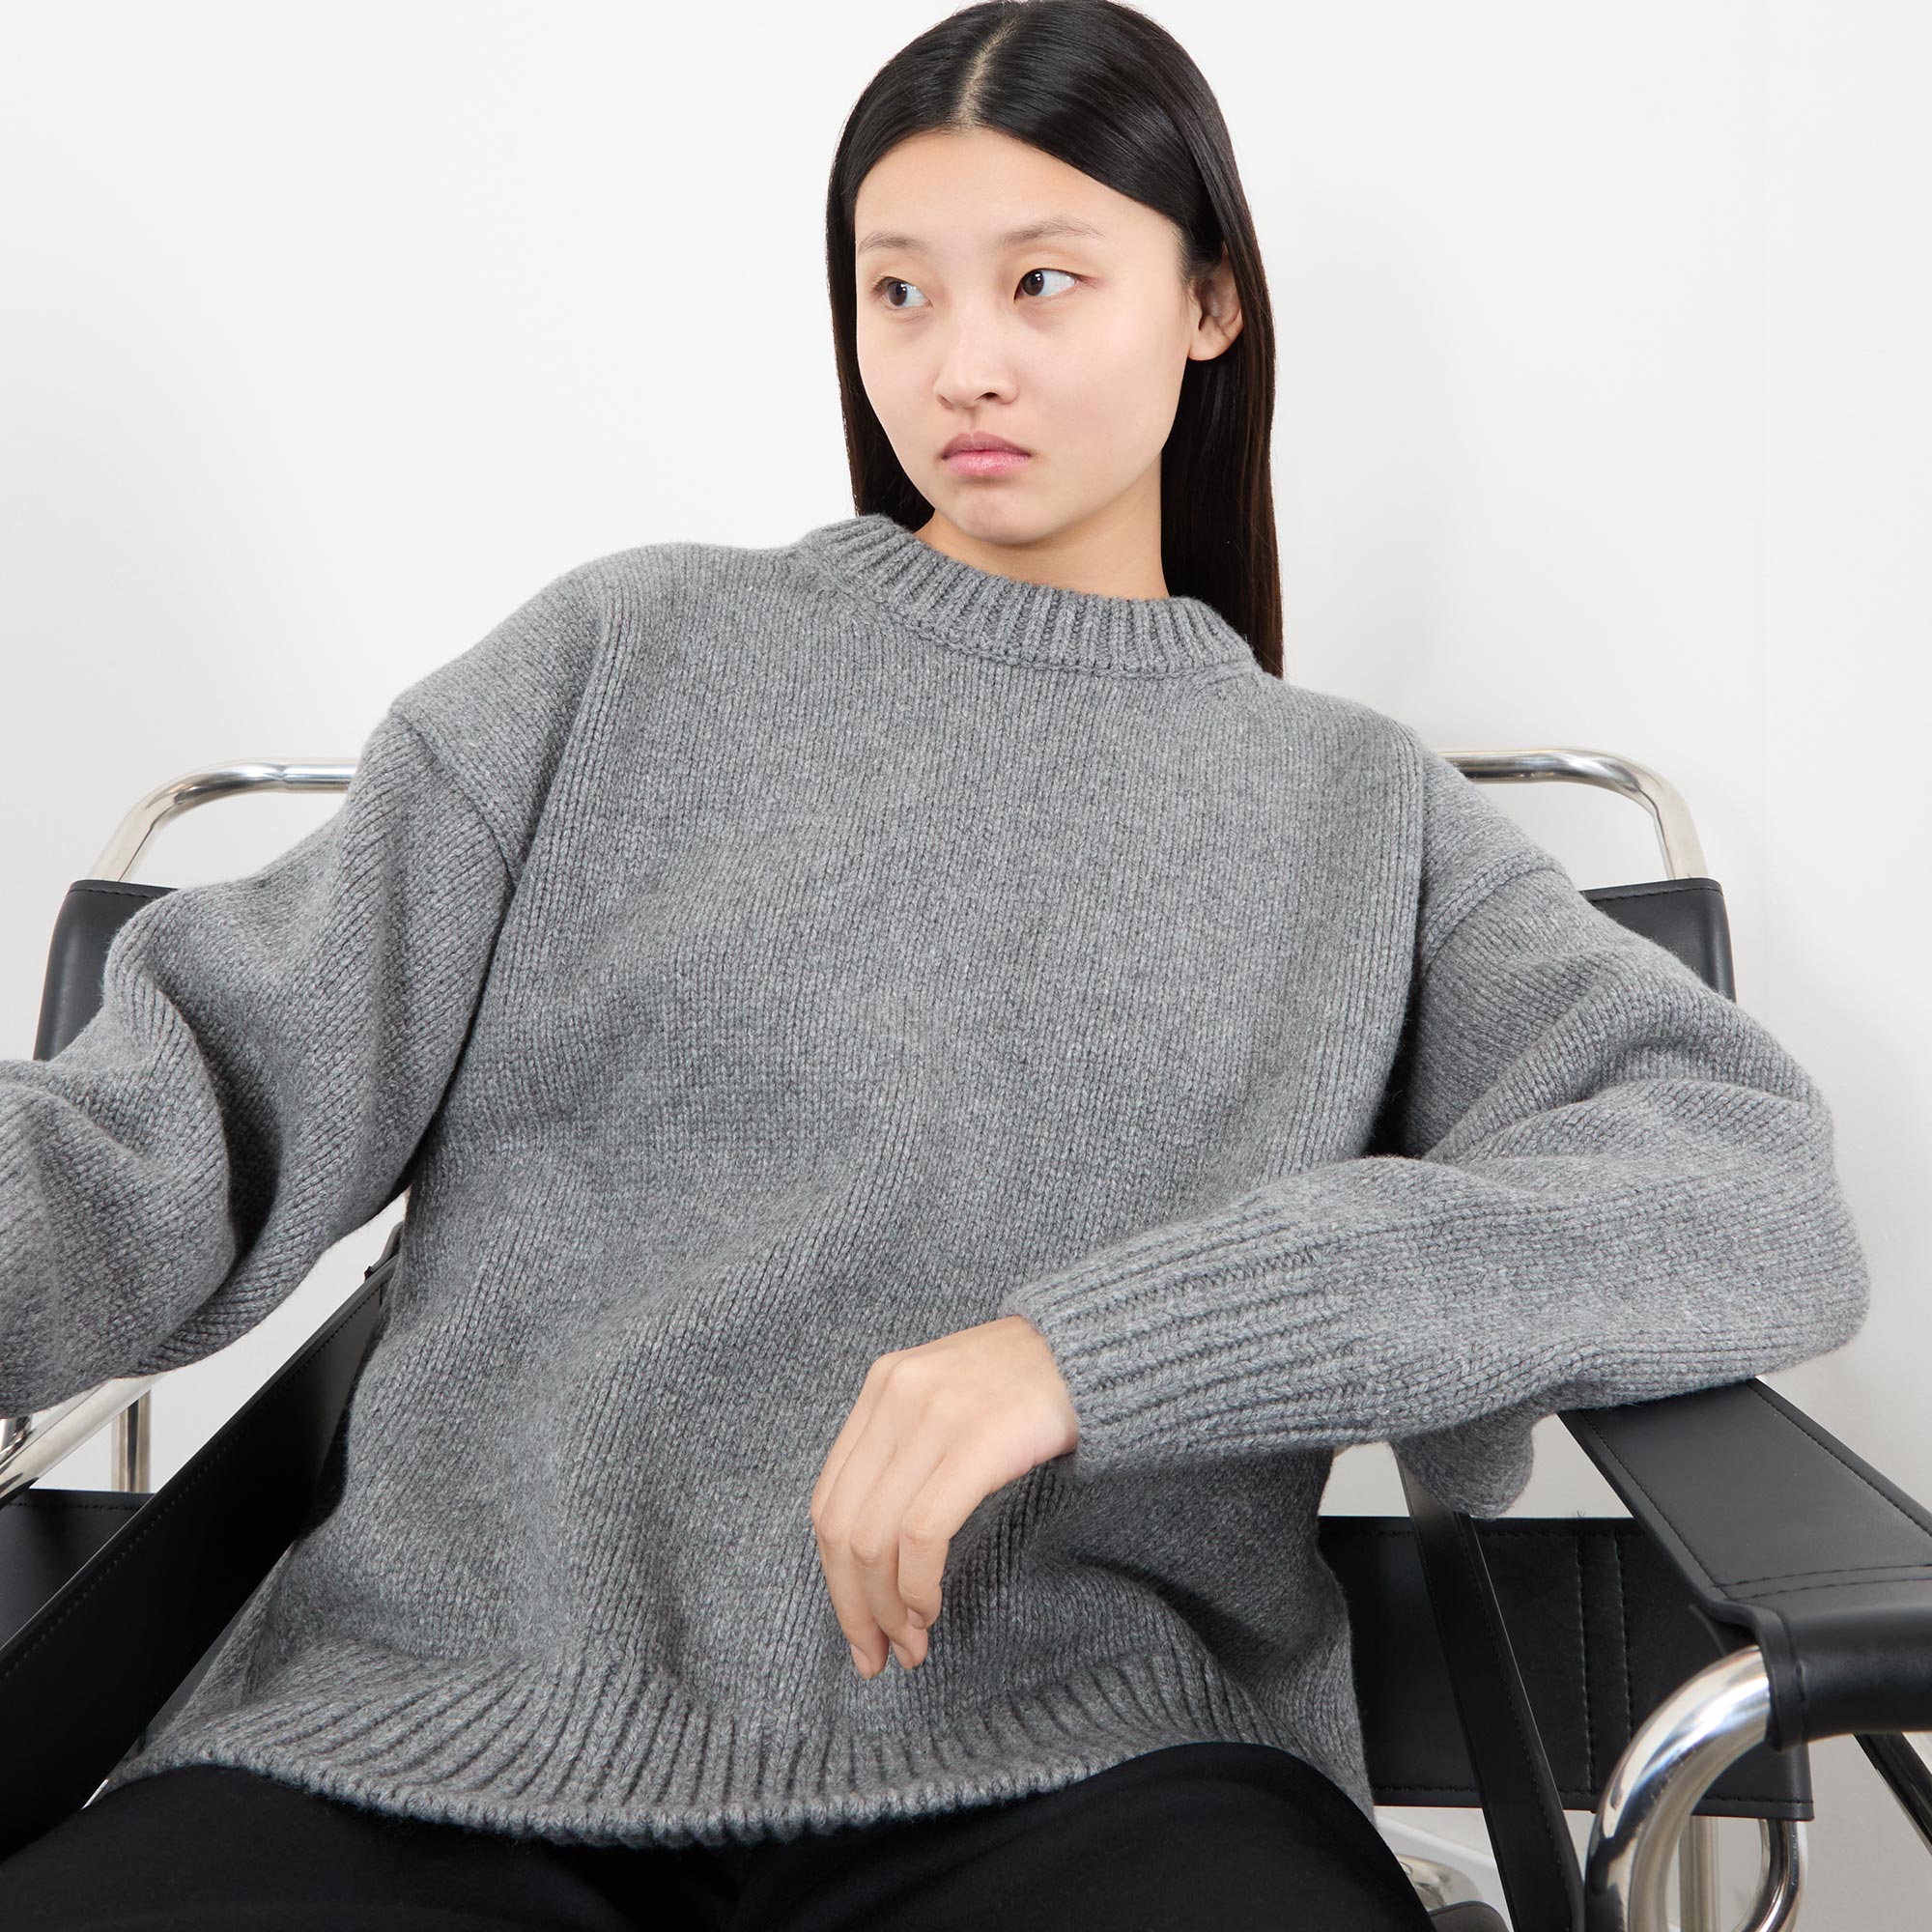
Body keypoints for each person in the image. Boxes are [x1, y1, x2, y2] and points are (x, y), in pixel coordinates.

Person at [0, 1, 1870, 1925]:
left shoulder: (1353, 814)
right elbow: (172, 1117)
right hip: (424, 1736)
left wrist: (1093, 1351)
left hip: (1092, 1774)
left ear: (1209, 302)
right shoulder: (621, 663)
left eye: (1043, 281)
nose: (961, 361)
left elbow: (1743, 1180)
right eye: (898, 291)